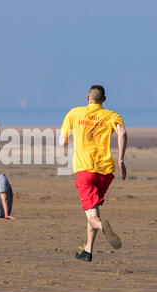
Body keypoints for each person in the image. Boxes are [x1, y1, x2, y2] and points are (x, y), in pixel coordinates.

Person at [59, 85, 127, 262]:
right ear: (104, 100)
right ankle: (88, 249)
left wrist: (70, 139)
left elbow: (62, 142)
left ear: (87, 98)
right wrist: (121, 160)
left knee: (93, 216)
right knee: (92, 210)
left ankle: (102, 228)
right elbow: (122, 133)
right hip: (105, 172)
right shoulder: (112, 115)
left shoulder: (74, 113)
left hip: (85, 171)